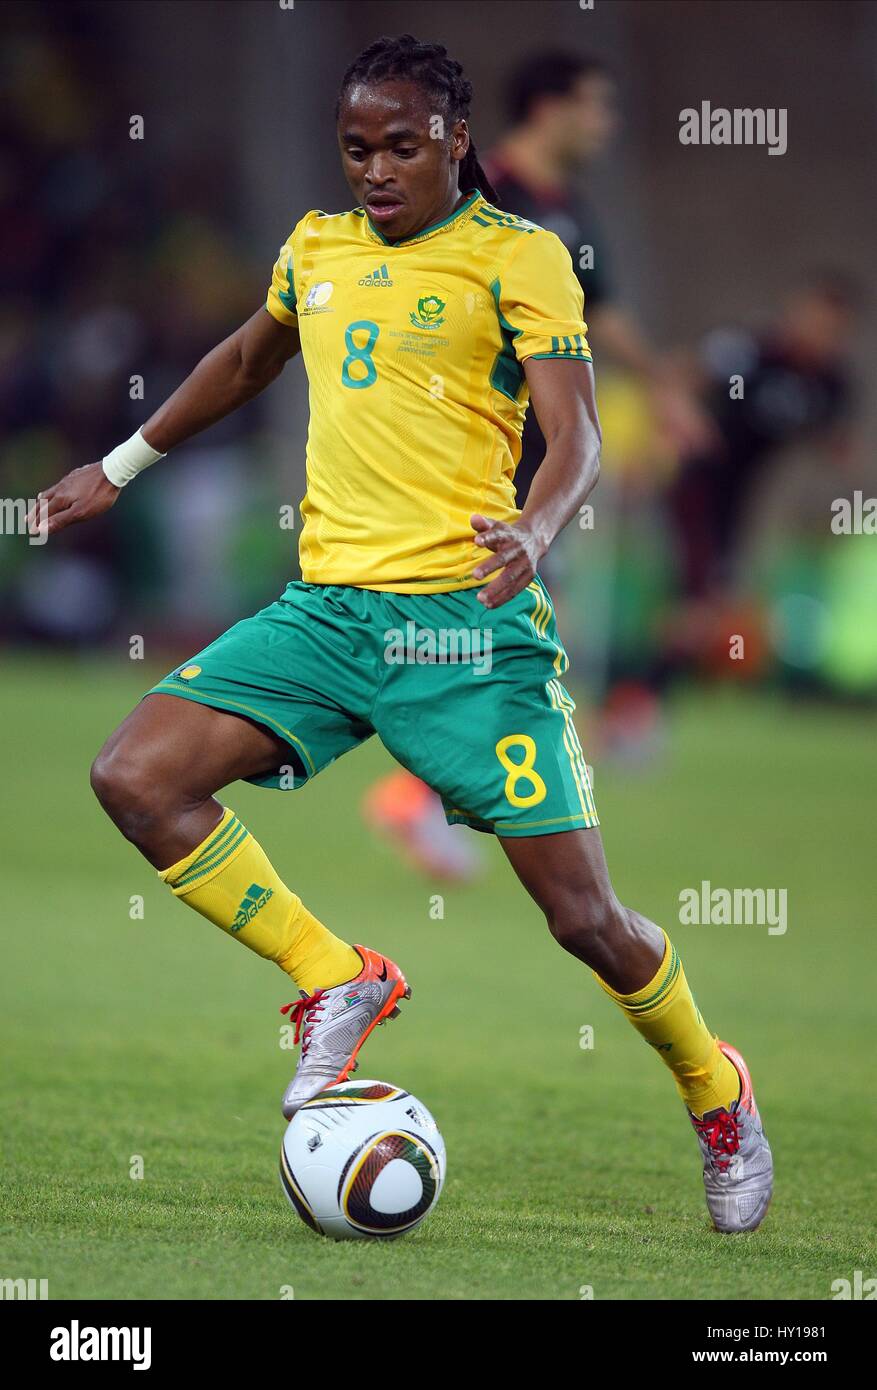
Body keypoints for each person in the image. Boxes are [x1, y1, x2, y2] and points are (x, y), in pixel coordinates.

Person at [30, 34, 772, 1234]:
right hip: (326, 616)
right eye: (357, 148)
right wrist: (120, 464)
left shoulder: (519, 257)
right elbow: (242, 359)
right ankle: (340, 975)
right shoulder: (315, 250)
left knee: (585, 919)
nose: (376, 169)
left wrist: (536, 531)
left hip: (465, 628)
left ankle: (714, 1087)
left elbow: (574, 433)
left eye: (402, 146)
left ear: (456, 141)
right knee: (137, 775)